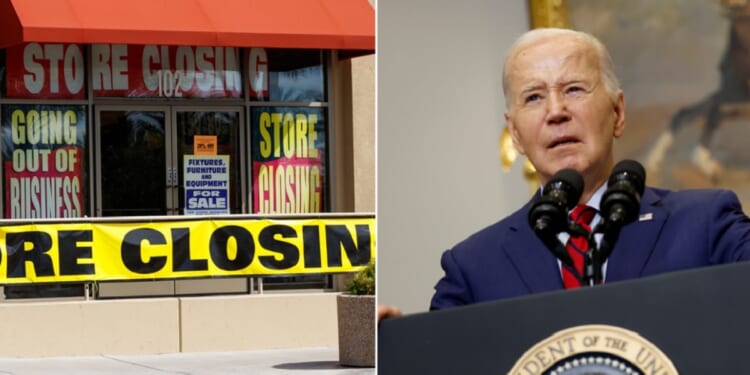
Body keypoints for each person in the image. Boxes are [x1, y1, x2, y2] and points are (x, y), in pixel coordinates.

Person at [429, 27, 750, 310]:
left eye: (574, 89)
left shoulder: (707, 224)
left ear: (618, 112)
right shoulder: (474, 268)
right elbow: (432, 354)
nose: (556, 112)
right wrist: (390, 342)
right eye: (534, 97)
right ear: (515, 134)